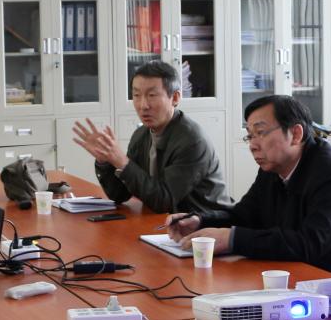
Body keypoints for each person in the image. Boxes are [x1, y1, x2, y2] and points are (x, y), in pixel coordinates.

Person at [166, 95, 331, 277]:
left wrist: (232, 240)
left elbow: (308, 244)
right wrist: (200, 221)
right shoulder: (273, 168)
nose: (253, 145)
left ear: (296, 134)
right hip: (304, 275)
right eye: (250, 136)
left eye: (261, 133)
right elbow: (245, 216)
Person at [72, 60, 230, 213]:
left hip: (205, 226)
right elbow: (119, 195)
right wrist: (105, 161)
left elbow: (163, 201)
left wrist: (123, 162)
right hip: (167, 224)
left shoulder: (192, 141)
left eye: (152, 95)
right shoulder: (141, 135)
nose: (143, 105)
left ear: (175, 98)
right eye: (136, 95)